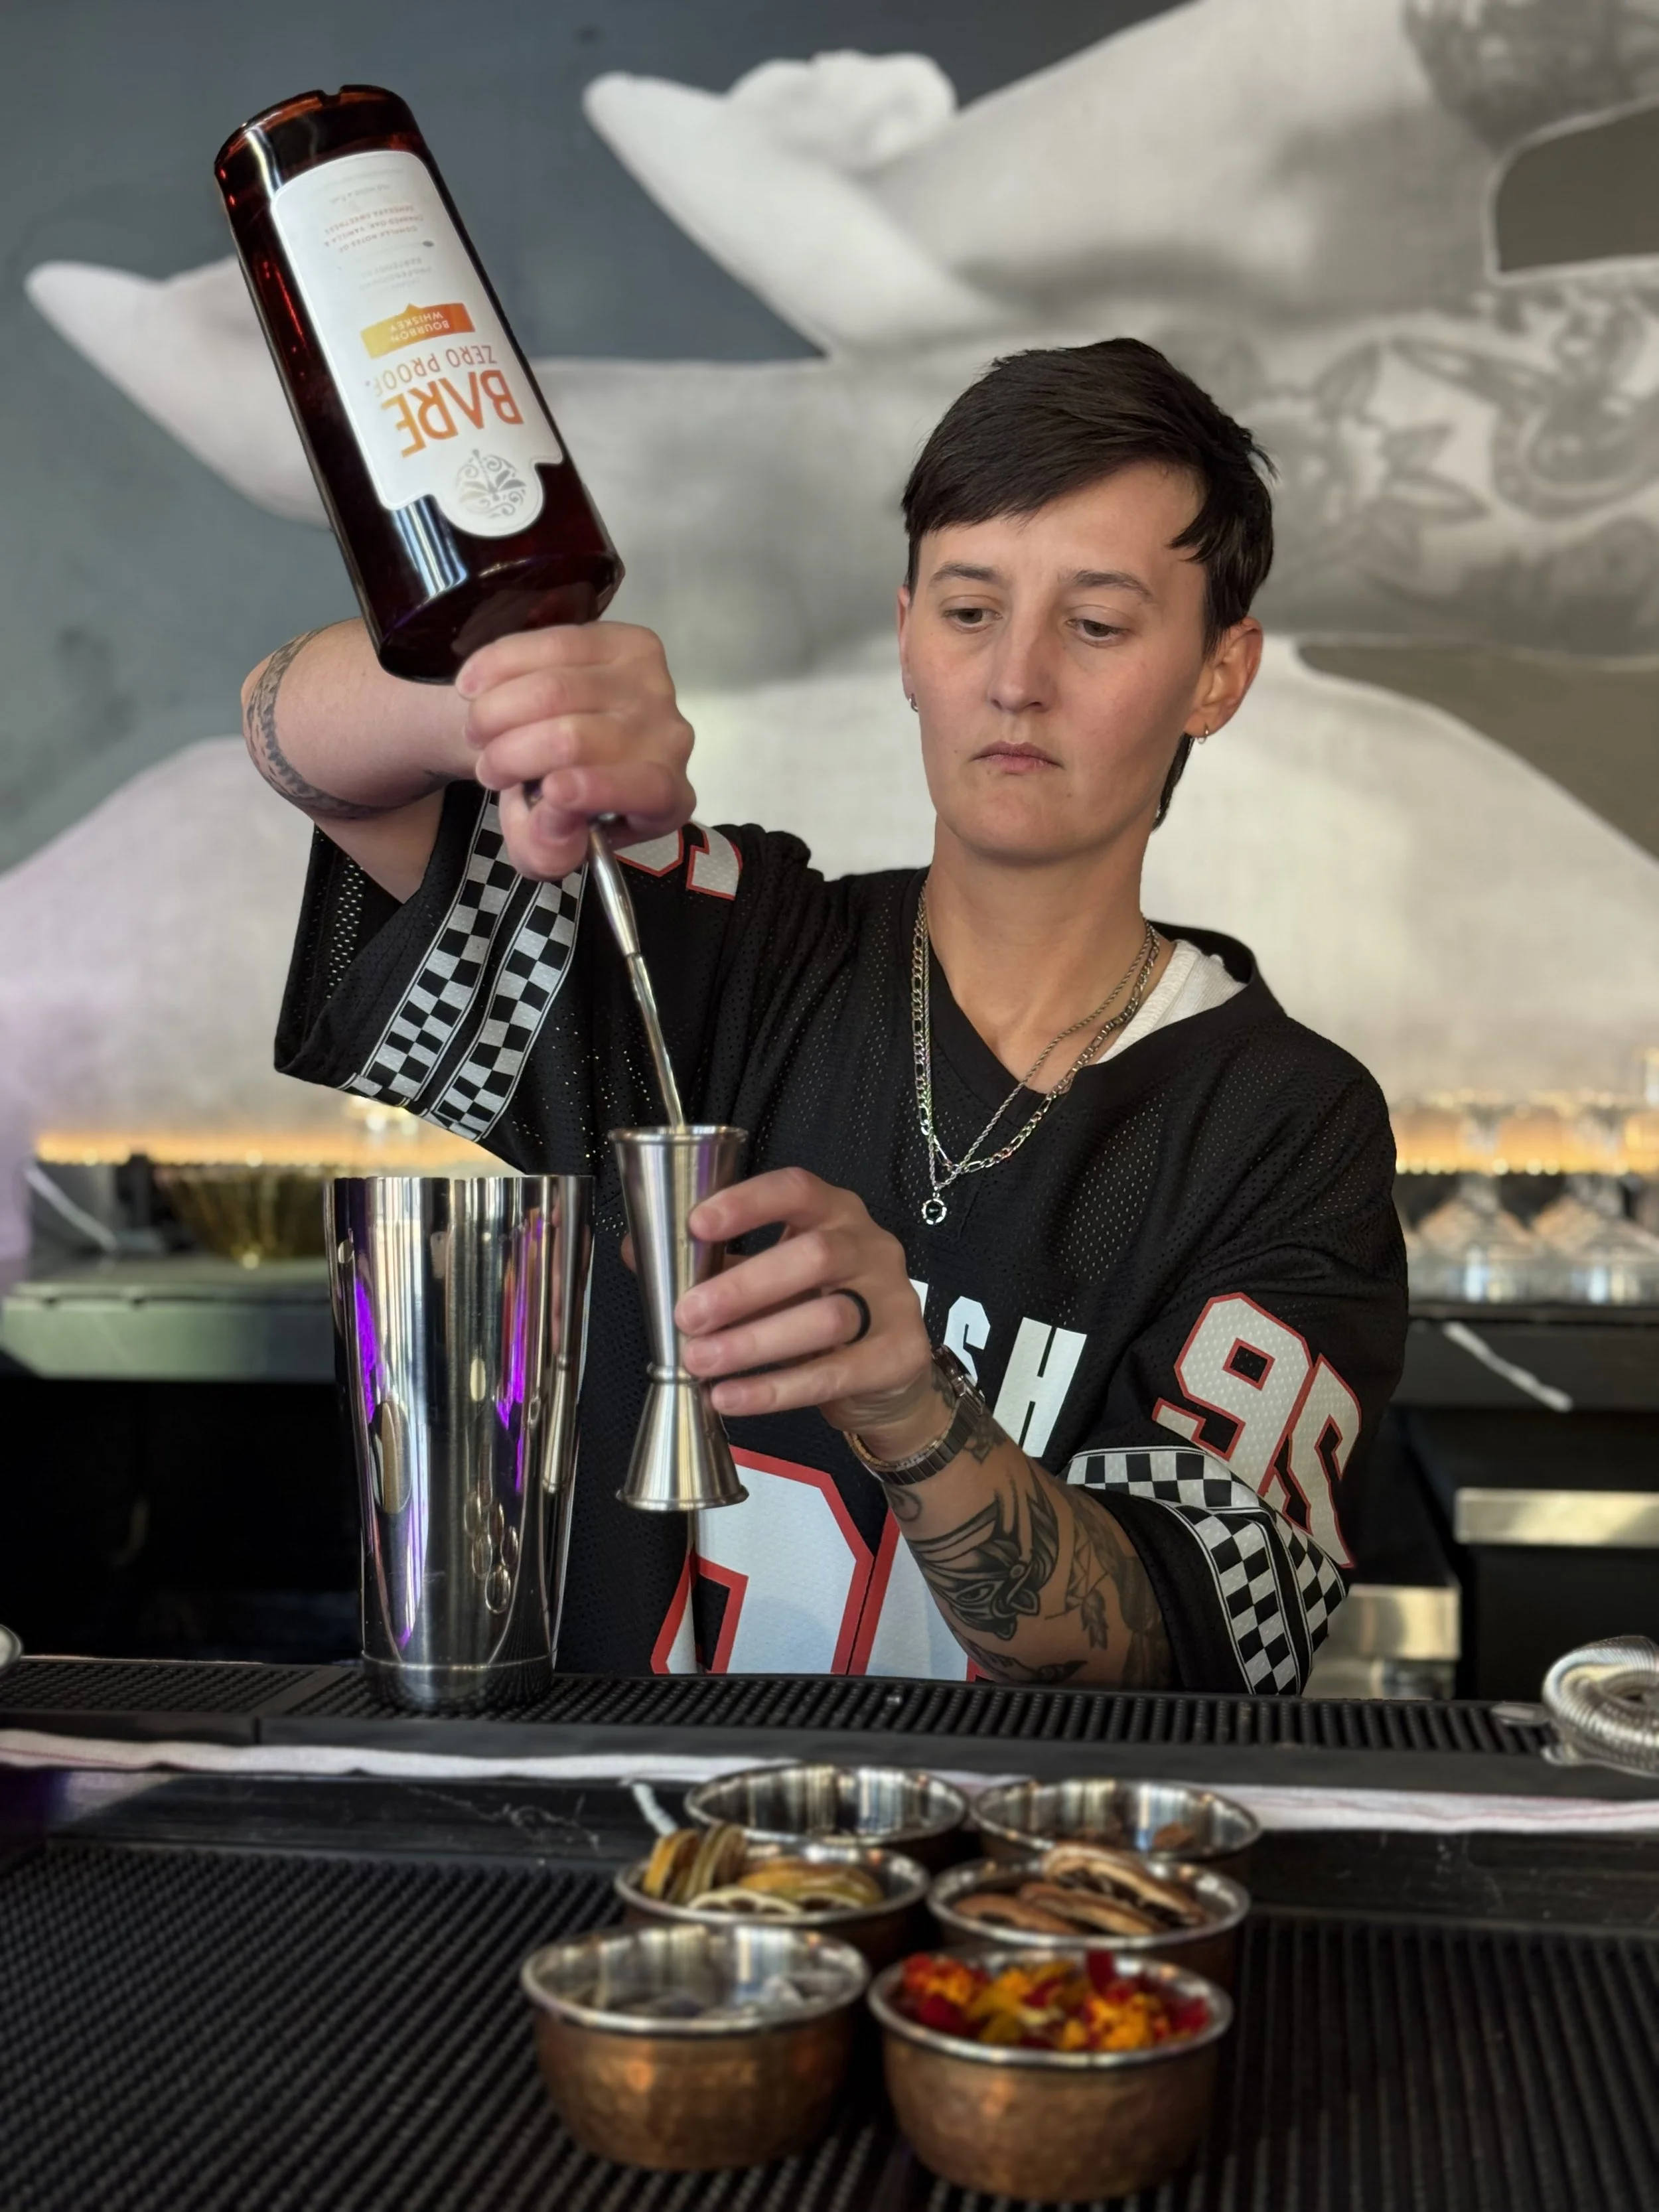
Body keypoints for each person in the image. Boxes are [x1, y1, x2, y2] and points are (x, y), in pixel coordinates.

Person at [245, 338, 1406, 1691]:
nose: (1015, 678)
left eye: (1096, 624)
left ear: (1218, 673)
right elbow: (320, 762)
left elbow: (1174, 1641)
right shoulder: (730, 944)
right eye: (970, 611)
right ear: (906, 632)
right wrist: (477, 705)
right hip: (635, 1860)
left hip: (1017, 1889)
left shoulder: (1279, 1123)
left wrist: (910, 1405)